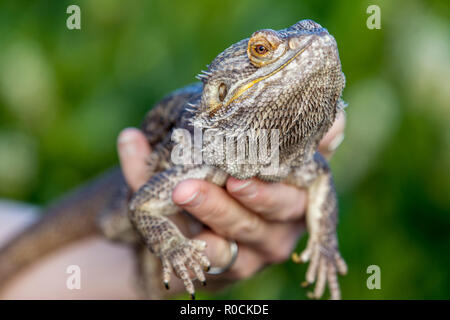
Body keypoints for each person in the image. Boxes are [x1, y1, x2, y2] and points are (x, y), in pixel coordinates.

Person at [0, 113, 345, 299]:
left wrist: (324, 241)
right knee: (115, 219)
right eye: (262, 51)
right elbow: (140, 209)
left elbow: (320, 179)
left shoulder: (296, 154)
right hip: (136, 193)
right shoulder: (203, 137)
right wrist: (167, 254)